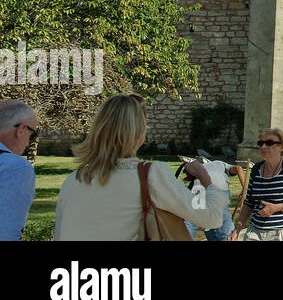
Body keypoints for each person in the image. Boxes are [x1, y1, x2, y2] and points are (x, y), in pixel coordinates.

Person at [53, 94, 222, 240]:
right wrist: (205, 180)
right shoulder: (151, 175)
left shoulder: (73, 181)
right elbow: (210, 217)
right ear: (139, 132)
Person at [231, 127, 283, 240]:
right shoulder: (256, 169)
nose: (263, 147)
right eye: (261, 143)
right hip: (255, 231)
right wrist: (237, 229)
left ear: (282, 146)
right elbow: (249, 202)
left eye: (269, 143)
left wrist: (277, 207)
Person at [184, 155, 247, 241]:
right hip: (217, 189)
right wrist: (244, 189)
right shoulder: (222, 165)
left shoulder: (202, 166)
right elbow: (238, 168)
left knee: (191, 221)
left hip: (197, 189)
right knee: (223, 222)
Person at [0, 100, 38, 241]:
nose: (28, 143)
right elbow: (5, 231)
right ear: (21, 130)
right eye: (32, 134)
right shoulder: (15, 168)